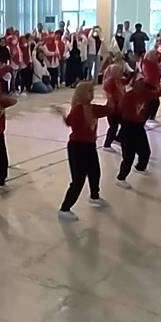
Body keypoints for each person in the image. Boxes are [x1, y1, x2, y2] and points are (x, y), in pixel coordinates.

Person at [53, 81, 111, 221]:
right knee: (78, 179)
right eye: (89, 91)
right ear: (82, 94)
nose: (92, 94)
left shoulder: (93, 108)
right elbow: (69, 122)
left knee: (95, 172)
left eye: (92, 91)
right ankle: (65, 208)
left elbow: (108, 110)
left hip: (90, 146)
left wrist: (112, 96)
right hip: (77, 147)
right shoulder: (78, 110)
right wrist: (62, 114)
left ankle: (94, 196)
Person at [115, 77, 161, 189]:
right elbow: (121, 111)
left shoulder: (146, 93)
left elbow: (159, 93)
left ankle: (140, 167)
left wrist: (159, 85)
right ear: (134, 85)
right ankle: (121, 178)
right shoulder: (128, 96)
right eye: (140, 83)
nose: (143, 85)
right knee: (129, 156)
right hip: (128, 127)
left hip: (139, 127)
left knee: (145, 151)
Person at [102, 62, 125, 152]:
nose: (121, 72)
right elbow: (110, 96)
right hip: (113, 109)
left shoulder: (120, 81)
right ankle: (107, 145)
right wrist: (114, 107)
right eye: (119, 71)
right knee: (113, 127)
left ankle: (118, 139)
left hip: (120, 108)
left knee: (124, 125)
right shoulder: (110, 82)